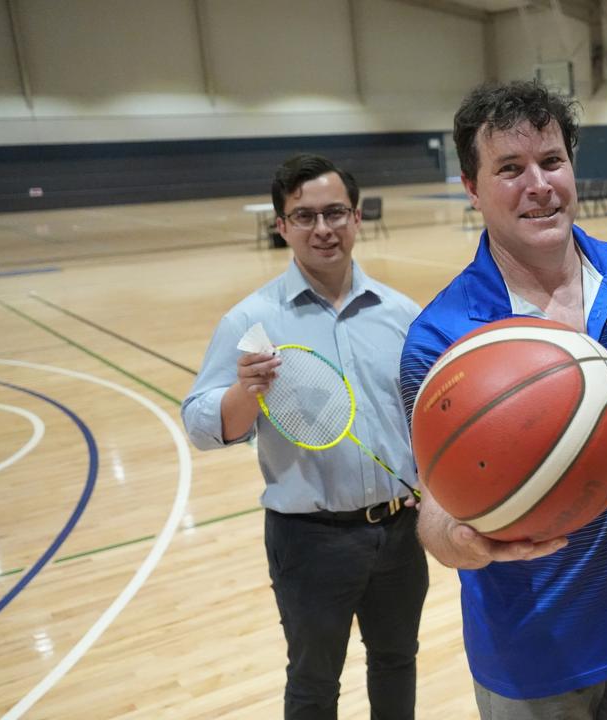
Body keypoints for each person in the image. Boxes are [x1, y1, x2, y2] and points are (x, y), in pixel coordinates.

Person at [398, 80, 607, 719]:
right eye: (509, 169)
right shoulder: (443, 337)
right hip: (527, 656)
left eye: (551, 161)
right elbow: (433, 515)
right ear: (471, 188)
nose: (539, 185)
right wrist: (470, 545)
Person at [182, 154, 427, 719]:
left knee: (397, 661)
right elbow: (200, 424)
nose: (323, 228)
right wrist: (245, 394)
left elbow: (427, 413)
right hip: (311, 541)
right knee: (314, 683)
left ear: (357, 217)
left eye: (335, 212)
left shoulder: (400, 313)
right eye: (305, 216)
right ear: (282, 226)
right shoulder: (252, 320)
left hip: (400, 532)